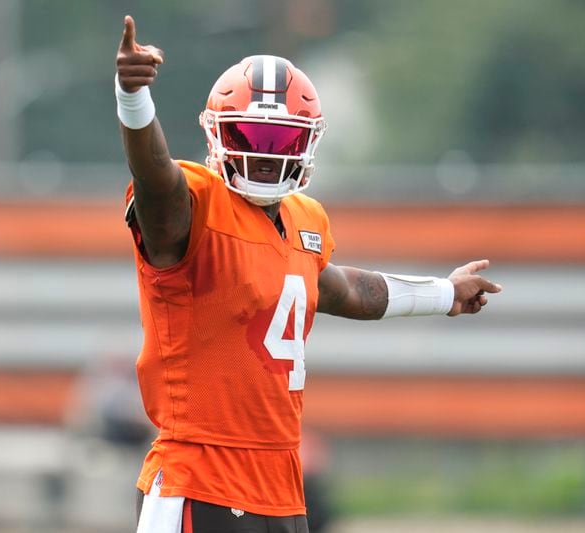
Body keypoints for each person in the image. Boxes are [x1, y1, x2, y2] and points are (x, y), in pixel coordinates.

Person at [115, 14, 501, 533]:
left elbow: (343, 289)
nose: (265, 156)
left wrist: (443, 292)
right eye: (251, 136)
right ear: (219, 134)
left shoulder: (304, 222)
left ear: (306, 144)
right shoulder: (192, 208)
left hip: (281, 483)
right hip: (198, 478)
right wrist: (134, 100)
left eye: (282, 141)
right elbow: (155, 179)